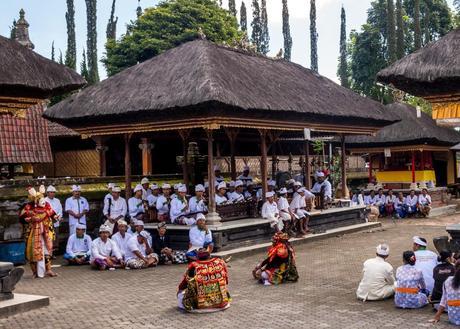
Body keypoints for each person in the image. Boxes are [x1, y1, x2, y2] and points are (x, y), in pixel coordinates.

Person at [20, 186, 58, 278]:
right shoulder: (28, 206)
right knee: (32, 251)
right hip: (33, 232)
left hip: (45, 231)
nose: (41, 199)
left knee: (47, 250)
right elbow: (22, 218)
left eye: (41, 197)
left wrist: (55, 217)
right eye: (38, 198)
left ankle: (48, 270)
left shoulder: (46, 204)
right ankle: (34, 272)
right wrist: (31, 218)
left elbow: (52, 213)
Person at [431, 261, 460, 325]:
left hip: (454, 318)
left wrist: (437, 316)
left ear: (455, 269)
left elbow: (443, 300)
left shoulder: (448, 281)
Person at [45, 185, 63, 252]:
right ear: (47, 193)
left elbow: (60, 210)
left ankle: (55, 250)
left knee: (56, 235)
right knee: (49, 236)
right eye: (51, 192)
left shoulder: (57, 200)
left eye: (53, 192)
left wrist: (58, 216)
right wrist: (51, 218)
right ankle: (49, 251)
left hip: (56, 220)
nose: (52, 194)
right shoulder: (44, 200)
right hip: (48, 222)